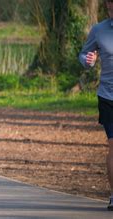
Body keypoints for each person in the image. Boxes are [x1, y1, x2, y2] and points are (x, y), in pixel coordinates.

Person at [78, 0, 113, 211]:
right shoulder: (99, 30)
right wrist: (88, 60)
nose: (111, 7)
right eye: (109, 3)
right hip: (108, 97)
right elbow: (83, 55)